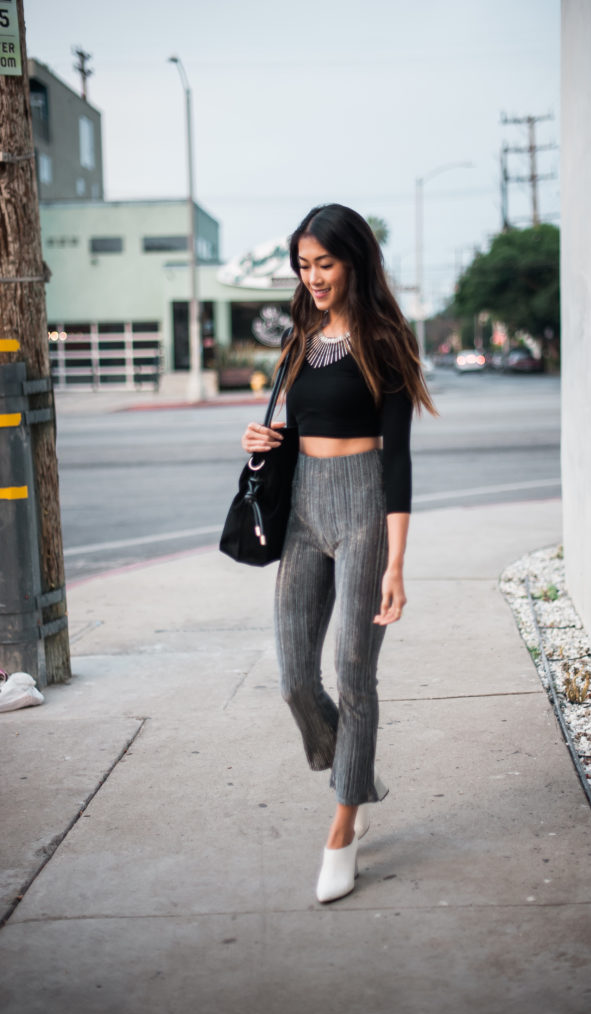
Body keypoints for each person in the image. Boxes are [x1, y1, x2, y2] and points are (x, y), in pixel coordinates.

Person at [241, 203, 435, 903]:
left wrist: (395, 562)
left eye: (323, 263)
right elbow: (301, 429)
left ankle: (343, 823)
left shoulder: (386, 339)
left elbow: (399, 460)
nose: (312, 276)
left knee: (354, 675)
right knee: (295, 677)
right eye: (303, 264)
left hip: (362, 508)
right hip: (301, 512)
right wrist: (265, 442)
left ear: (353, 261)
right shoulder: (298, 338)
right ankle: (355, 768)